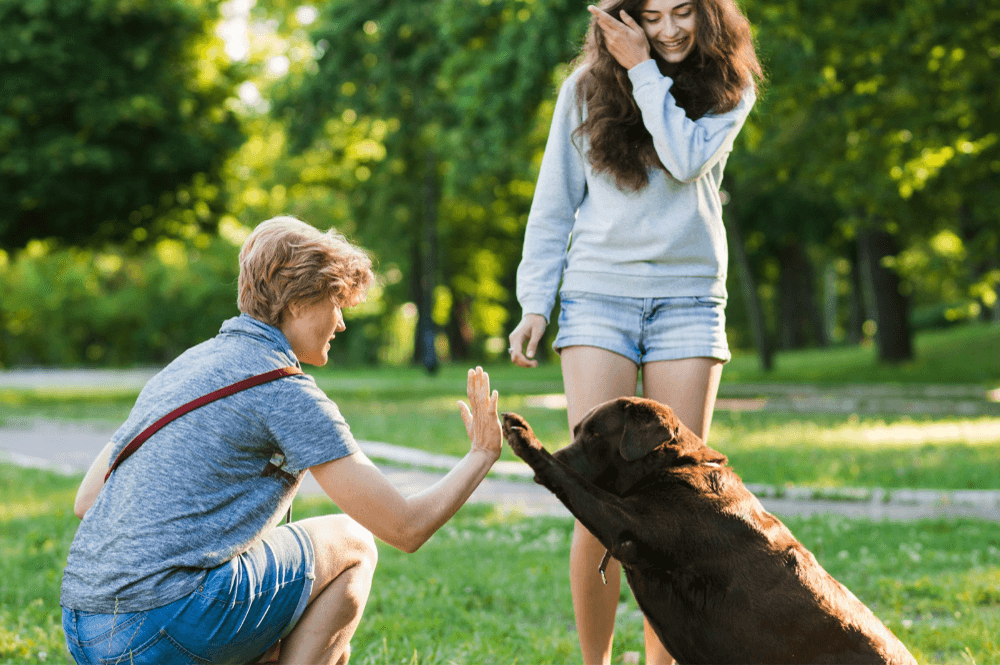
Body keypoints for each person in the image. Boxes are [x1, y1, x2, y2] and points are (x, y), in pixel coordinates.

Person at [61, 216, 503, 665]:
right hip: (164, 625)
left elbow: (87, 499)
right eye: (336, 302)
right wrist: (482, 454)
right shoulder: (283, 390)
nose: (342, 323)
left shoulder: (186, 366)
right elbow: (404, 528)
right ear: (297, 303)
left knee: (311, 633)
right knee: (352, 544)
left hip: (86, 627)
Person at [507, 0, 763, 663]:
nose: (671, 29)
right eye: (652, 15)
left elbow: (681, 160)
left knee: (673, 501)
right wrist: (535, 301)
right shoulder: (586, 89)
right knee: (599, 495)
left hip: (688, 302)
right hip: (599, 298)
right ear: (622, 17)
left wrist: (644, 68)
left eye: (684, 12)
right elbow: (554, 200)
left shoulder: (730, 87)